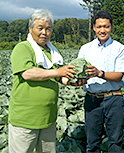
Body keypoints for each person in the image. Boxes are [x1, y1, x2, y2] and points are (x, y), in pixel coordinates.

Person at [8, 9, 79, 153]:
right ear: (30, 28)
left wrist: (74, 81)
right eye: (40, 28)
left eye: (48, 29)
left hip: (48, 119)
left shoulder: (52, 52)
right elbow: (28, 73)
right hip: (25, 121)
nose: (44, 33)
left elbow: (59, 77)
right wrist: (58, 72)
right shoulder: (23, 48)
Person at [77, 10, 124, 153]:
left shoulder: (120, 48)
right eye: (99, 27)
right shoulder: (85, 49)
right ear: (94, 28)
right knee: (92, 142)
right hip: (92, 99)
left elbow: (119, 75)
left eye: (106, 26)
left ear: (111, 27)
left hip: (114, 98)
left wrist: (99, 73)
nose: (102, 30)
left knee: (115, 142)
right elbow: (79, 73)